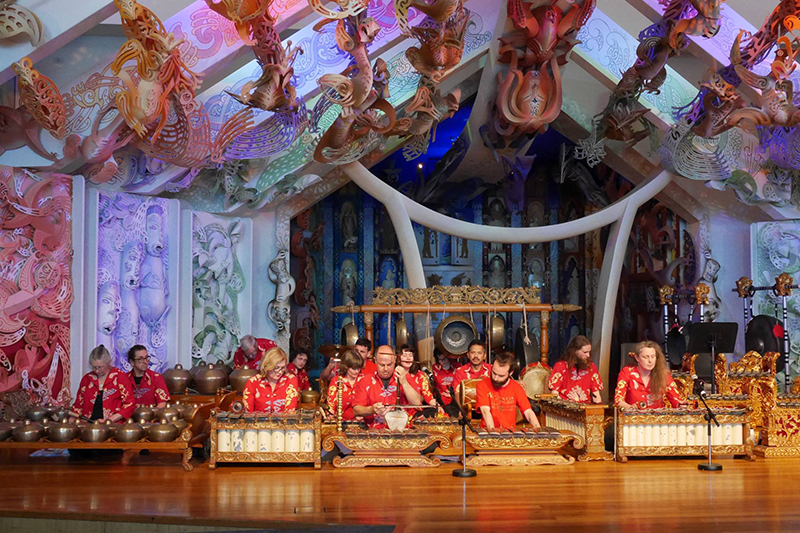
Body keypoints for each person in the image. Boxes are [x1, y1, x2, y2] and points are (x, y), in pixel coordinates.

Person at [353, 346, 422, 428]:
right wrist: (371, 409)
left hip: (401, 431)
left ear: (395, 359)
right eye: (382, 365)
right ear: (375, 361)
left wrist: (404, 382)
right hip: (374, 433)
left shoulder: (405, 377)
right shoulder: (365, 380)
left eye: (389, 364)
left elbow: (417, 403)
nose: (386, 369)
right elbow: (356, 410)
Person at [476, 351, 541, 431]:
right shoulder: (482, 385)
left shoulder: (516, 388)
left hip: (509, 434)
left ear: (511, 373)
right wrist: (492, 433)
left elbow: (528, 412)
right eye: (494, 373)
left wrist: (538, 430)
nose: (496, 378)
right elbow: (485, 411)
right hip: (488, 432)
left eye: (501, 376)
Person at [71, 345, 135, 422]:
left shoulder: (120, 377)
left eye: (100, 367)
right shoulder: (87, 379)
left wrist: (109, 420)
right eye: (94, 367)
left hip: (113, 425)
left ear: (109, 363)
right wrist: (73, 419)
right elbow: (78, 404)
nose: (97, 371)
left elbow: (129, 404)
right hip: (89, 424)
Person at [615, 340, 685, 409]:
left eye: (653, 356)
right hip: (633, 417)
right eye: (645, 357)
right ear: (637, 358)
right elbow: (618, 400)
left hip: (657, 418)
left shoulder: (664, 374)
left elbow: (676, 399)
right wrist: (629, 407)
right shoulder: (627, 372)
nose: (650, 361)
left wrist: (681, 404)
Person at [548, 335, 603, 404]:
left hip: (585, 407)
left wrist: (598, 408)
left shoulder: (591, 367)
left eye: (589, 352)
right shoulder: (561, 366)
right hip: (565, 407)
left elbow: (596, 394)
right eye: (585, 352)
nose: (588, 355)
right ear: (575, 351)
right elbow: (554, 393)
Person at [242, 347, 300, 413]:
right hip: (258, 422)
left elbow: (290, 411)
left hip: (283, 422)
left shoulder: (290, 379)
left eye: (282, 368)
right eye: (276, 368)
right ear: (267, 366)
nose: (280, 372)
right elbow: (247, 413)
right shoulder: (253, 382)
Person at [326, 350, 365, 420]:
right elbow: (330, 405)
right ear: (346, 366)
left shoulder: (364, 380)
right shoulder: (336, 381)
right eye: (353, 368)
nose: (357, 371)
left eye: (358, 368)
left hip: (362, 422)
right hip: (341, 422)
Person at [396, 344, 436, 412]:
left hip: (416, 413)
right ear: (398, 357)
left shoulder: (419, 375)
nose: (408, 358)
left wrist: (436, 405)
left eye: (410, 356)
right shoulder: (394, 374)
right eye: (405, 355)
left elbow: (426, 393)